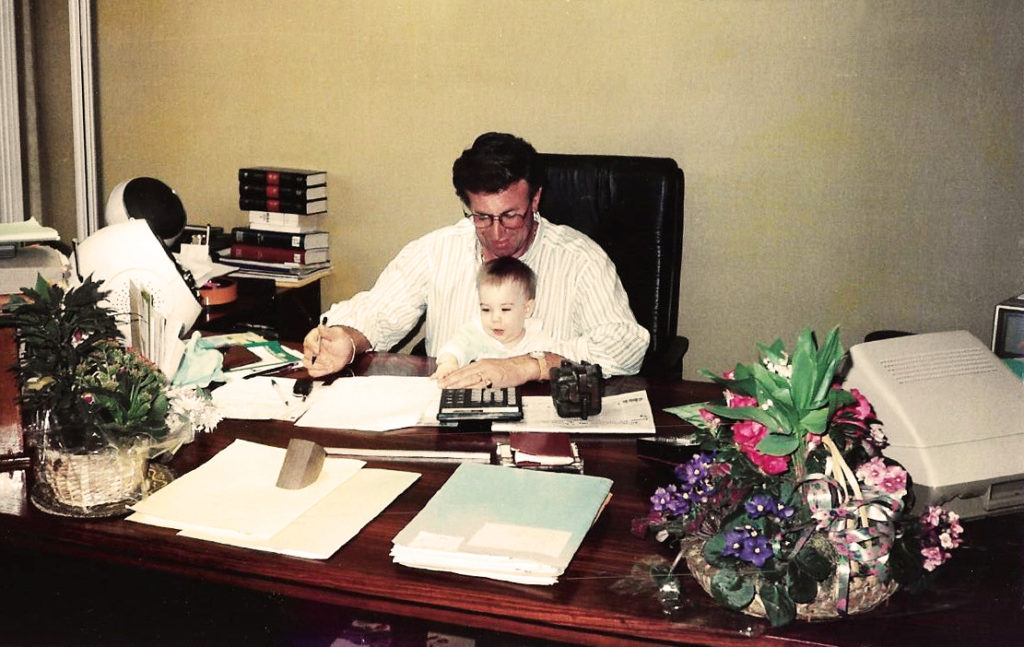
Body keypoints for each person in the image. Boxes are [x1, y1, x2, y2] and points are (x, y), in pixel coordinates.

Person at [302, 132, 649, 388]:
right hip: (450, 408)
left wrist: (530, 365)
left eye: (511, 216)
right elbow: (379, 312)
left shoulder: (580, 259)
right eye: (482, 217)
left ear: (536, 200)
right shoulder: (437, 249)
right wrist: (345, 340)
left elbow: (624, 347)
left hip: (546, 415)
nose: (497, 233)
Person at [430, 257, 554, 383]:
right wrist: (448, 364)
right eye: (486, 310)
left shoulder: (538, 340)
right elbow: (455, 347)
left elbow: (554, 366)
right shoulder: (477, 335)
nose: (495, 318)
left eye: (505, 309)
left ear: (527, 309)